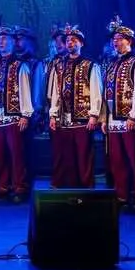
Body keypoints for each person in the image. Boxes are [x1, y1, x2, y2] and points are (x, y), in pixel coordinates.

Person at [100, 15, 135, 210]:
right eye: (114, 39)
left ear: (129, 41)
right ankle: (121, 195)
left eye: (120, 38)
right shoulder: (111, 64)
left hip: (129, 120)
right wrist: (105, 117)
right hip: (113, 121)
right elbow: (106, 92)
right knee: (117, 161)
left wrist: (134, 115)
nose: (116, 41)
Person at [0, 26, 35, 203]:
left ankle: (20, 185)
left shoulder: (20, 65)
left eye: (5, 39)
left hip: (13, 116)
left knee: (16, 154)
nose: (1, 42)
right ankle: (3, 185)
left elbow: (25, 90)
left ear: (13, 42)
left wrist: (25, 114)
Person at [47, 24, 102, 188]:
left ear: (81, 43)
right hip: (64, 118)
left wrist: (93, 114)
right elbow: (56, 92)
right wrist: (53, 114)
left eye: (74, 40)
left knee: (84, 155)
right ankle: (70, 189)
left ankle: (86, 188)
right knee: (67, 155)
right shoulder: (59, 65)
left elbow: (96, 90)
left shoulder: (90, 65)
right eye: (68, 40)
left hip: (83, 118)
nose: (70, 43)